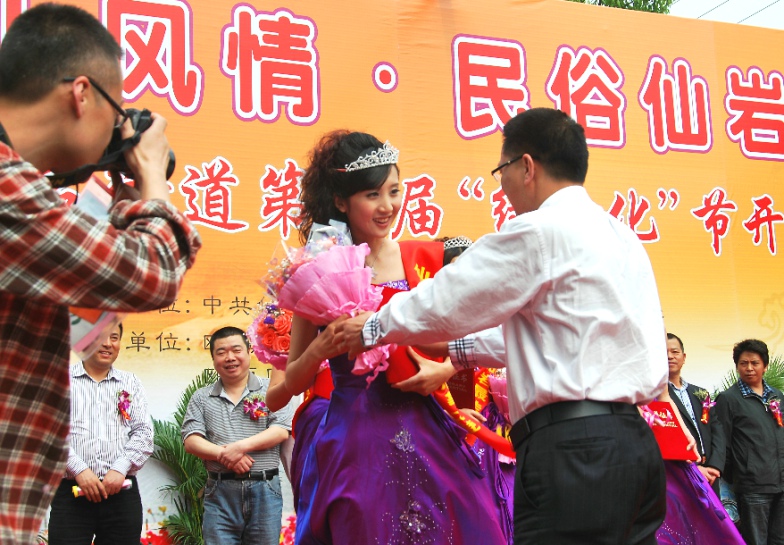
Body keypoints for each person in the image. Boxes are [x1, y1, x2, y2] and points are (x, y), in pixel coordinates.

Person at [335, 108, 668, 545]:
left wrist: (373, 327)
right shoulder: (622, 237)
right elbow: (552, 338)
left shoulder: (538, 231)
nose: (503, 186)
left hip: (574, 451)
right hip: (635, 446)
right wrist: (457, 351)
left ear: (526, 166)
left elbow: (453, 296)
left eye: (502, 171)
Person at [0, 5, 200, 542]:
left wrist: (122, 199)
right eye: (115, 114)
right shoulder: (8, 188)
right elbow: (153, 274)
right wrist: (153, 175)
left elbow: (84, 281)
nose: (116, 133)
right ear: (81, 94)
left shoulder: (22, 190)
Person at [268, 130, 506, 544]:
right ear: (341, 201)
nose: (388, 206)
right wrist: (321, 349)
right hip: (355, 438)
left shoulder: (427, 259)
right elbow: (291, 380)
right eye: (372, 195)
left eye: (394, 191)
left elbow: (468, 338)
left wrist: (448, 376)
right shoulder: (316, 271)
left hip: (429, 426)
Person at [182, 326, 293, 545]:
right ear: (213, 359)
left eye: (236, 350)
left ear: (249, 351)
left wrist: (239, 448)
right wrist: (225, 455)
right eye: (221, 352)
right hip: (220, 492)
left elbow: (281, 430)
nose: (230, 357)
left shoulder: (271, 389)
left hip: (265, 490)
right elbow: (191, 440)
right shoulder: (201, 397)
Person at [48, 323, 152, 544]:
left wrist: (120, 468)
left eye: (114, 337)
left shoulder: (130, 382)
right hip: (72, 493)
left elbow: (143, 433)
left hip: (121, 493)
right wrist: (79, 470)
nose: (107, 344)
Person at [714, 339, 784, 545]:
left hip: (781, 483)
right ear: (737, 366)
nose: (749, 368)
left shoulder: (777, 396)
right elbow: (723, 443)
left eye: (755, 363)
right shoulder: (728, 399)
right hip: (753, 486)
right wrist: (742, 472)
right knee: (756, 541)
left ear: (765, 366)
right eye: (743, 363)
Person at [666, 332, 725, 495]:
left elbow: (717, 432)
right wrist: (695, 468)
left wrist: (714, 466)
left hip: (710, 474)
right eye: (664, 353)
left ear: (684, 357)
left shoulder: (700, 393)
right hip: (681, 473)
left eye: (675, 352)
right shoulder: (656, 396)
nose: (670, 356)